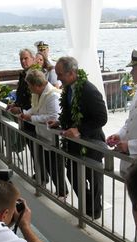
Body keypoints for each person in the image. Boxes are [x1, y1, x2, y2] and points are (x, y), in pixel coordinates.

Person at [49, 56, 108, 219]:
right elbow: (69, 113)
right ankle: (88, 208)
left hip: (91, 143)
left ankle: (94, 213)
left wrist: (80, 130)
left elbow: (102, 118)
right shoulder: (68, 88)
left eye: (60, 74)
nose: (58, 78)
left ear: (72, 72)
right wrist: (60, 122)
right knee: (73, 176)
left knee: (93, 179)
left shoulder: (89, 90)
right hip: (74, 143)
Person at [20, 69, 66, 196]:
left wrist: (32, 118)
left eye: (30, 86)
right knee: (48, 164)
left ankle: (62, 192)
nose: (29, 89)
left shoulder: (53, 96)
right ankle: (61, 190)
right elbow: (35, 109)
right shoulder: (38, 94)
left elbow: (54, 117)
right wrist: (25, 114)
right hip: (42, 135)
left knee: (55, 167)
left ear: (37, 85)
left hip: (53, 138)